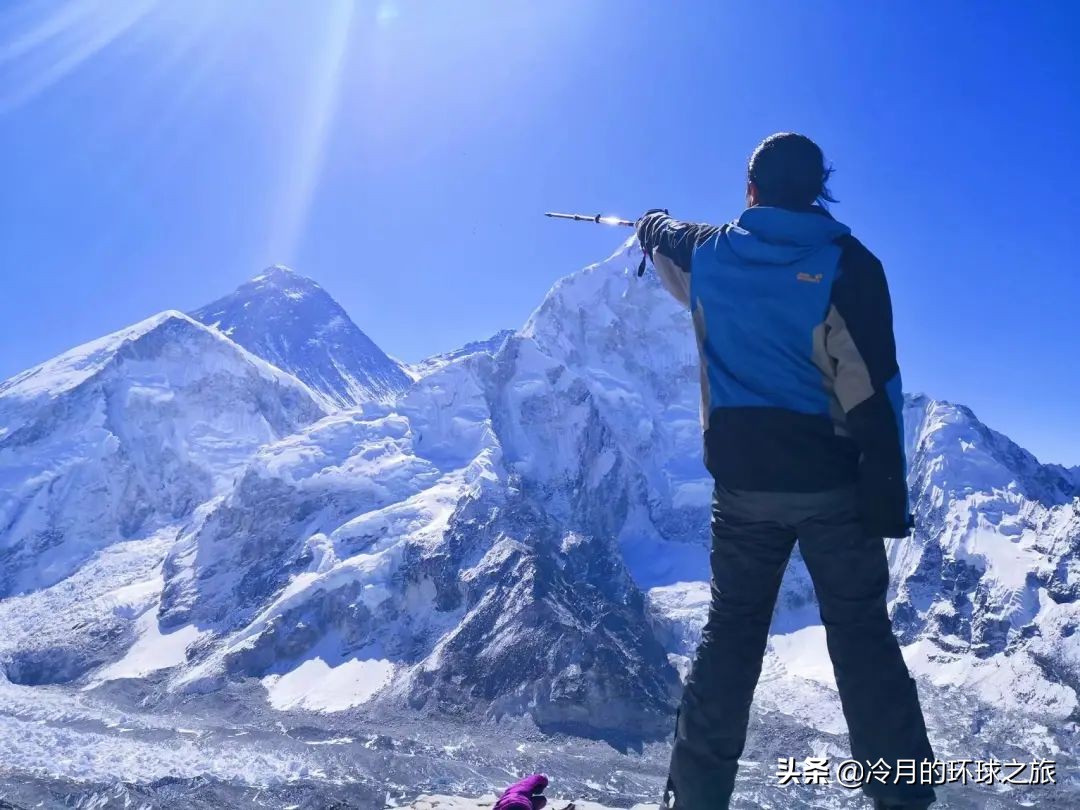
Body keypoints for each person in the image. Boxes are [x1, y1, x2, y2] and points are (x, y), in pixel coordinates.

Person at [636, 133, 936, 810]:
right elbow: (873, 386)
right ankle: (905, 799)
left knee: (730, 638)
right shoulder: (849, 264)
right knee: (861, 639)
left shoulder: (709, 255)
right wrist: (887, 496)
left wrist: (650, 226)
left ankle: (694, 800)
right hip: (833, 488)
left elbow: (669, 240)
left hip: (742, 492)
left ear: (751, 191)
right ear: (818, 189)